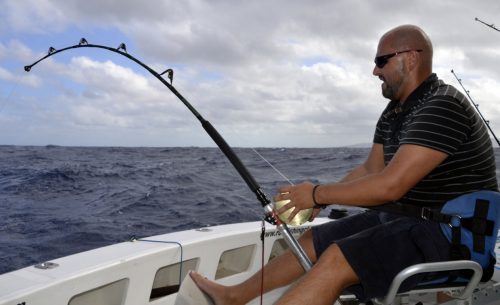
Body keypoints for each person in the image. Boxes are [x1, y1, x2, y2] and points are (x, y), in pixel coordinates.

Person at [190, 24, 498, 305]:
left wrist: (316, 194)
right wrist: (319, 203)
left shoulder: (442, 105)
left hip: (451, 236)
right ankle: (234, 296)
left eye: (381, 61)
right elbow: (370, 171)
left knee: (338, 258)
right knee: (316, 240)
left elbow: (391, 185)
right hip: (411, 220)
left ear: (411, 58)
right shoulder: (395, 112)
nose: (374, 72)